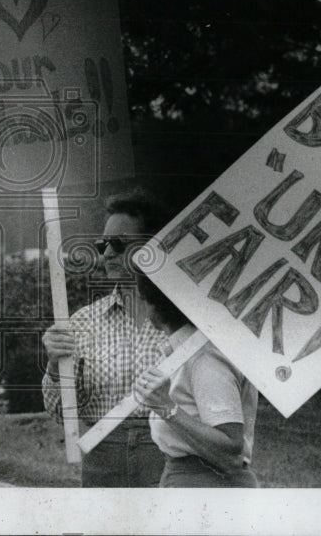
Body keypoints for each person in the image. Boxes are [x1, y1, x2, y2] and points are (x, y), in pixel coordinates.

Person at [41, 188, 168, 486]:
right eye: (103, 244)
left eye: (118, 244)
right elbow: (62, 414)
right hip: (102, 462)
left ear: (152, 247)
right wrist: (55, 368)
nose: (107, 253)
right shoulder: (82, 322)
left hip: (169, 458)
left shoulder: (186, 322)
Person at [133, 270, 259, 488]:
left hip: (209, 486)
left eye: (144, 300)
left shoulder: (205, 356)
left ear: (158, 304)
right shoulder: (184, 350)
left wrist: (166, 408)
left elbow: (230, 452)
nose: (142, 308)